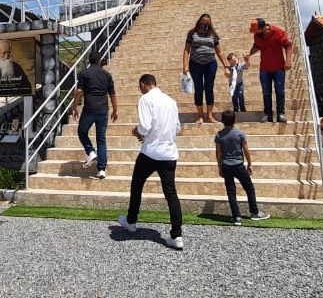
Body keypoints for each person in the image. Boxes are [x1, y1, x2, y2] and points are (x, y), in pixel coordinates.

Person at [116, 74, 184, 250]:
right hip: (169, 153)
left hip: (151, 152)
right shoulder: (171, 101)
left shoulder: (145, 99)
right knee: (171, 193)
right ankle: (176, 235)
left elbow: (145, 126)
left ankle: (131, 220)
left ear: (142, 85)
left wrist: (136, 131)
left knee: (137, 184)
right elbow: (177, 128)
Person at [215, 110, 271, 224]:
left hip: (226, 165)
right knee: (249, 188)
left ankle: (236, 216)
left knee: (231, 191)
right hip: (238, 165)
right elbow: (246, 149)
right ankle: (254, 212)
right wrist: (250, 164)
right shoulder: (240, 134)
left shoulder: (219, 135)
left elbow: (218, 153)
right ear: (235, 120)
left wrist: (219, 167)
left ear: (222, 121)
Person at [72, 51, 119, 179]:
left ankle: (91, 152)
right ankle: (102, 169)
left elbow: (79, 91)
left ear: (89, 61)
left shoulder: (84, 73)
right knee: (101, 139)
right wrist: (115, 110)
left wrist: (75, 107)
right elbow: (113, 95)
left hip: (89, 109)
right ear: (99, 61)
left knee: (82, 132)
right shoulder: (107, 75)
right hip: (103, 110)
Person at [182, 13, 229, 125]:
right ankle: (200, 116)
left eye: (208, 22)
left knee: (209, 88)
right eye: (203, 22)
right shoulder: (192, 33)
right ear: (199, 21)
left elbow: (219, 51)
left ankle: (209, 115)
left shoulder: (213, 34)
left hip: (210, 64)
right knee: (198, 89)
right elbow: (186, 50)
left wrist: (226, 66)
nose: (205, 24)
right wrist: (185, 66)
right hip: (195, 64)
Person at [245, 18, 294, 123]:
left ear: (263, 28)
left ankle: (280, 114)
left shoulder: (278, 32)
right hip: (264, 69)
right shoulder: (257, 35)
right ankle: (268, 114)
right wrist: (249, 53)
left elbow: (288, 45)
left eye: (255, 30)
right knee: (266, 92)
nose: (254, 32)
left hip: (278, 68)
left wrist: (288, 60)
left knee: (279, 91)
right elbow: (257, 45)